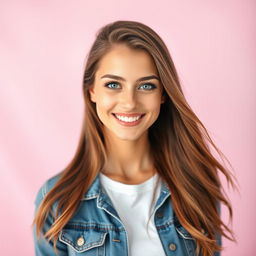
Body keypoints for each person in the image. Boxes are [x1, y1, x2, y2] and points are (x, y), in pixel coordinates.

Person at [31, 20, 237, 256]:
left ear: (163, 94)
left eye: (146, 86)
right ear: (92, 91)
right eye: (113, 84)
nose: (129, 102)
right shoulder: (56, 200)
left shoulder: (196, 182)